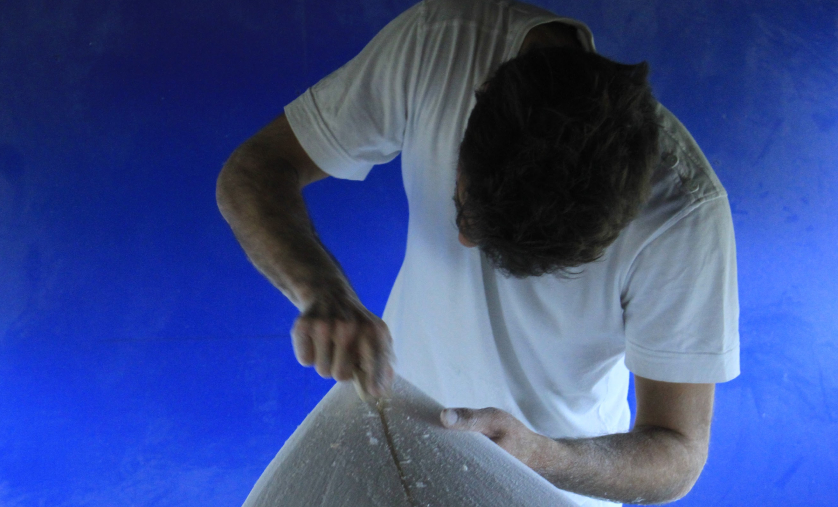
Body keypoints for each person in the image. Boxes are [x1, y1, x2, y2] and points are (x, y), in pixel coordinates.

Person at [216, 0, 740, 505]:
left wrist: (543, 456)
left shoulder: (684, 219)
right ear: (481, 93)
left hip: (544, 489)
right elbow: (255, 170)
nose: (462, 242)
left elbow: (678, 454)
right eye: (462, 207)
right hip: (393, 442)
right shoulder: (439, 46)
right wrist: (319, 287)